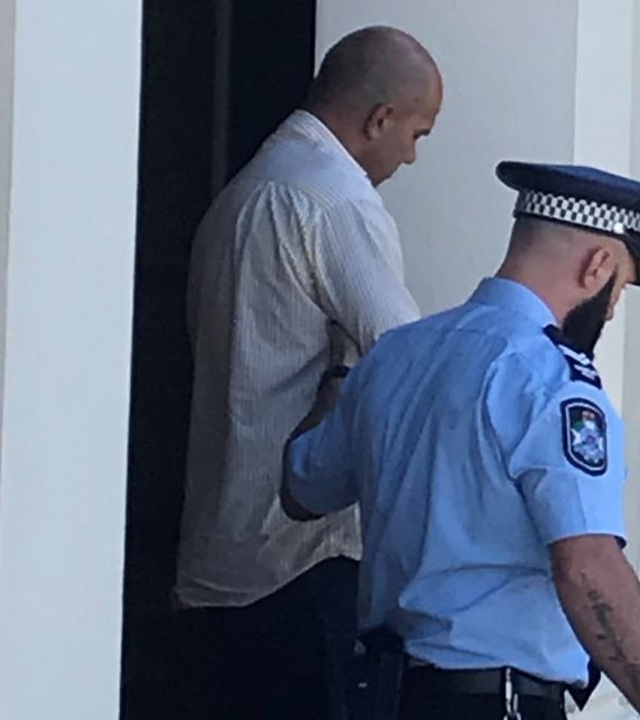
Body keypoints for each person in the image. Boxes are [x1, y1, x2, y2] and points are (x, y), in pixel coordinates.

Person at [281, 161, 640, 720]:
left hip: (386, 697)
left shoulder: (396, 354)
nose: (613, 308)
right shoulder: (553, 381)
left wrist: (333, 386)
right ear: (596, 267)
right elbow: (588, 567)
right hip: (493, 701)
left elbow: (302, 489)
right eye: (619, 285)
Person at [175, 25, 442, 720]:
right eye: (416, 135)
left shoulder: (245, 191)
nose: (412, 157)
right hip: (300, 554)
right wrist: (343, 380)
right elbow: (403, 361)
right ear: (378, 119)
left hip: (220, 541)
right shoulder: (337, 202)